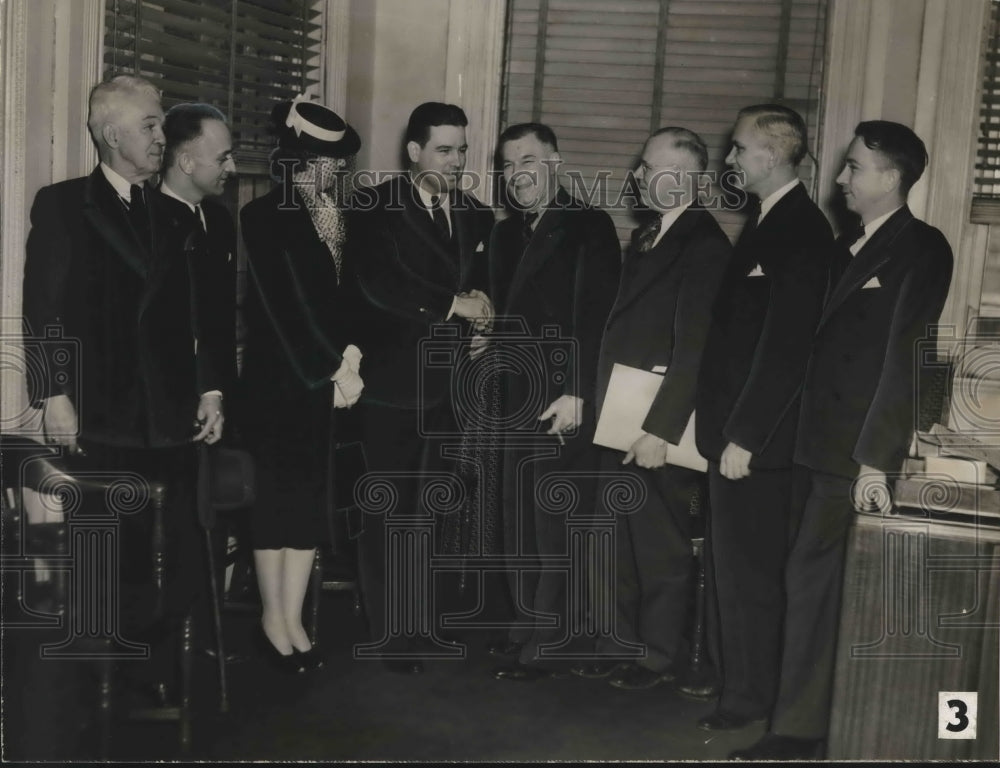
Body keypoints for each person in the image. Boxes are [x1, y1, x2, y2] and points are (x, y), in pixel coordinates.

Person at [731, 121, 954, 760]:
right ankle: (809, 723)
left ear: (892, 177)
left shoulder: (923, 248)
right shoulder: (843, 247)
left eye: (854, 168)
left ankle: (800, 732)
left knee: (812, 584)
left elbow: (905, 356)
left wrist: (875, 464)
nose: (840, 179)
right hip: (810, 445)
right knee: (808, 585)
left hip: (851, 455)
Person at [21, 74, 227, 690]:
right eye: (149, 125)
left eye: (161, 124)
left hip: (172, 415)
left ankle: (157, 668)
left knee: (183, 551)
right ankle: (109, 684)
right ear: (112, 135)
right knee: (115, 555)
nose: (162, 136)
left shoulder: (169, 212)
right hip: (102, 414)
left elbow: (199, 313)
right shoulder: (63, 205)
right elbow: (45, 307)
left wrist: (211, 389)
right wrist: (55, 393)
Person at [693, 105, 835, 730]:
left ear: (772, 156)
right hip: (734, 433)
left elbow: (787, 347)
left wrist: (745, 436)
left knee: (750, 575)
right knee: (736, 571)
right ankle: (739, 688)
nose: (730, 159)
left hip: (757, 443)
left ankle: (749, 700)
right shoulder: (766, 222)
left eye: (739, 148)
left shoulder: (802, 230)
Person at [581, 127, 731, 690]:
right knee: (616, 535)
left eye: (649, 168)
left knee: (658, 544)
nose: (637, 177)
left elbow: (695, 348)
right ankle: (618, 643)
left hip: (651, 424)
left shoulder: (705, 245)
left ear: (686, 180)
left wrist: (658, 430)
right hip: (618, 411)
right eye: (641, 166)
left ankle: (657, 656)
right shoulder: (652, 235)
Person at [351, 102, 496, 675]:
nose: (457, 161)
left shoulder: (476, 215)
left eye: (462, 150)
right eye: (444, 149)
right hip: (390, 387)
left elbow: (485, 284)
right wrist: (452, 304)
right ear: (413, 152)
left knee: (434, 508)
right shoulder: (374, 208)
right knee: (388, 510)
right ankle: (392, 633)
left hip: (451, 388)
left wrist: (488, 320)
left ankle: (422, 621)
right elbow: (376, 286)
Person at [486, 122, 621, 682]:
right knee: (516, 514)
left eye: (529, 162)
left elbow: (597, 316)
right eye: (509, 164)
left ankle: (547, 641)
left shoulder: (589, 225)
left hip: (561, 397)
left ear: (556, 162)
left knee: (551, 520)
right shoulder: (505, 234)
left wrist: (578, 393)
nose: (518, 175)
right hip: (513, 394)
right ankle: (525, 625)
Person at [239, 96, 364, 673]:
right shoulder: (263, 216)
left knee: (309, 501)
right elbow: (283, 307)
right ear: (298, 158)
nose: (336, 169)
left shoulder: (338, 215)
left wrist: (352, 356)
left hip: (324, 378)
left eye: (338, 161)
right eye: (327, 160)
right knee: (276, 501)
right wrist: (330, 365)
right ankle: (272, 619)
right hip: (279, 379)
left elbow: (345, 299)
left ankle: (293, 619)